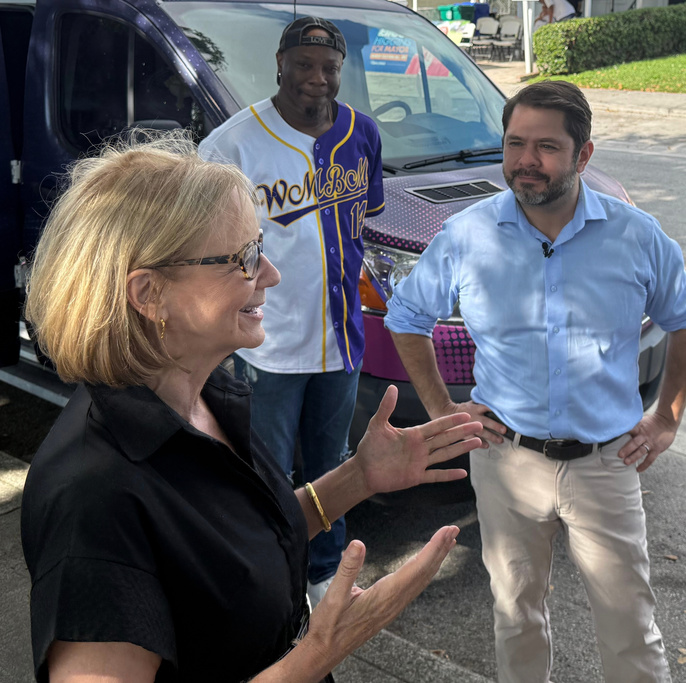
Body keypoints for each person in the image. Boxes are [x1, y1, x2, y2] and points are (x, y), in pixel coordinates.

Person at [20, 135, 484, 683]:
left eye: (259, 248)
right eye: (242, 258)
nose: (270, 274)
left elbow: (235, 551)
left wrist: (358, 477)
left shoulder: (202, 395)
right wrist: (316, 656)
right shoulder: (92, 499)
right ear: (148, 294)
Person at [386, 81, 686, 683]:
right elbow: (406, 318)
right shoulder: (468, 234)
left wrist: (667, 416)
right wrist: (443, 412)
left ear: (583, 155)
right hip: (505, 461)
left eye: (546, 147)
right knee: (516, 616)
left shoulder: (636, 235)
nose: (526, 162)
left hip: (606, 464)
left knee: (629, 628)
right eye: (514, 144)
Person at [198, 16, 381, 606]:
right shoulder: (233, 144)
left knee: (332, 466)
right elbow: (199, 237)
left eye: (329, 67)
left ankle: (323, 573)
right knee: (268, 472)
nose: (316, 78)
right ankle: (271, 577)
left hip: (342, 338)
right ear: (280, 63)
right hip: (269, 343)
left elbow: (363, 220)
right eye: (303, 64)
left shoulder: (362, 133)